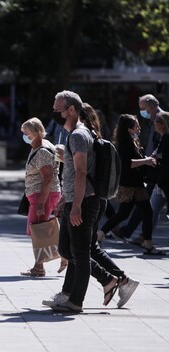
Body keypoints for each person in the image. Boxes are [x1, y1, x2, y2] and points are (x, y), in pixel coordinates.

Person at [45, 90, 100, 313]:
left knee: (79, 253)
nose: (56, 116)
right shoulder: (75, 135)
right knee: (67, 249)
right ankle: (99, 283)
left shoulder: (78, 135)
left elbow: (80, 172)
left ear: (71, 110)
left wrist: (76, 205)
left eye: (59, 111)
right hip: (74, 201)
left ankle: (76, 301)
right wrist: (66, 200)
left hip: (83, 202)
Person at [81, 104, 140, 308]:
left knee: (79, 249)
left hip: (90, 198)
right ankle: (121, 281)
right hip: (98, 197)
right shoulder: (95, 136)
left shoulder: (85, 139)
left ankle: (116, 280)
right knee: (88, 248)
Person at [96, 114, 164, 255]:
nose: (139, 128)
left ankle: (101, 234)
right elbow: (128, 163)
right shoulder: (125, 143)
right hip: (129, 184)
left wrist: (147, 160)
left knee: (129, 213)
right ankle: (147, 243)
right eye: (136, 126)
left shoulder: (134, 141)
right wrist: (146, 161)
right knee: (137, 212)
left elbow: (137, 160)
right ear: (129, 129)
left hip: (136, 183)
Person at [115, 94, 164, 241]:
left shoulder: (161, 120)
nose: (142, 111)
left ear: (153, 106)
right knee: (146, 207)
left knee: (145, 207)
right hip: (148, 167)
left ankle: (133, 234)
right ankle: (140, 236)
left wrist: (148, 159)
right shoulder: (150, 122)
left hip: (154, 168)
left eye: (143, 108)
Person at [18, 117, 62, 277]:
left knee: (37, 229)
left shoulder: (42, 151)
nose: (24, 136)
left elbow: (48, 178)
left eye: (26, 133)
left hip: (43, 195)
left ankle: (44, 264)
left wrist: (41, 203)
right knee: (38, 229)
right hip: (41, 194)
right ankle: (40, 265)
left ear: (36, 133)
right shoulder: (41, 145)